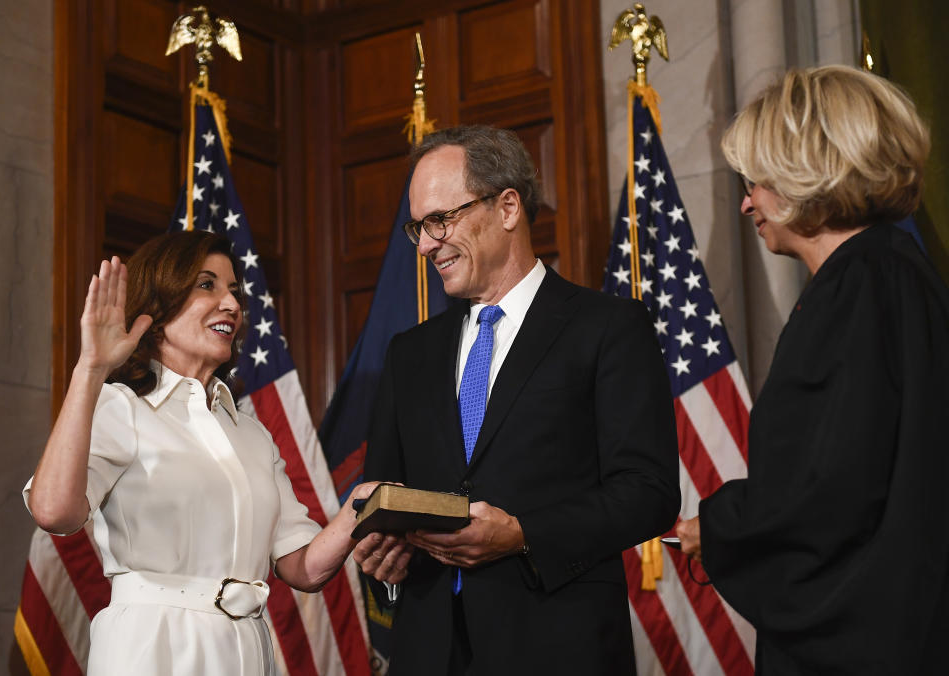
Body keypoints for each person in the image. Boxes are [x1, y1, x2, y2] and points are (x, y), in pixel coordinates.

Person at [353, 125, 681, 675]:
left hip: (557, 644)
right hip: (429, 651)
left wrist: (523, 534)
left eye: (441, 220)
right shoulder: (410, 354)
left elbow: (648, 492)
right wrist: (381, 545)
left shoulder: (607, 328)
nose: (428, 244)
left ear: (507, 207)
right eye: (419, 227)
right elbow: (389, 489)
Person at [676, 65, 949, 673]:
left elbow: (830, 488)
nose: (747, 202)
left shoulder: (858, 286)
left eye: (758, 181)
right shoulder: (895, 274)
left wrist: (718, 529)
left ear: (808, 172)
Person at [25, 231, 388, 675]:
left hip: (248, 650)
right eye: (207, 285)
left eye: (234, 291)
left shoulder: (252, 435)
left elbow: (302, 568)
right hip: (152, 646)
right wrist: (90, 369)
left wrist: (359, 508)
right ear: (156, 311)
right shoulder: (120, 406)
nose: (232, 305)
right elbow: (53, 512)